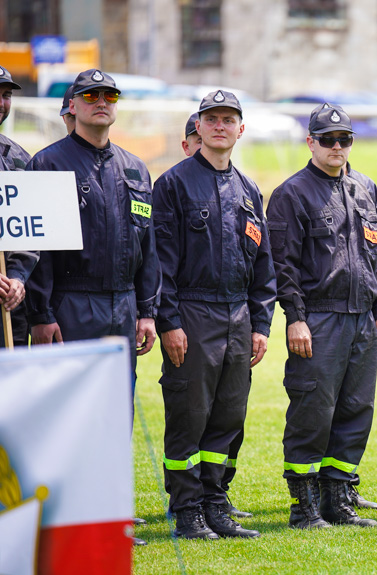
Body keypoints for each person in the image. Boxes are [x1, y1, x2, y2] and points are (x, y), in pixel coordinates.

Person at [25, 69, 160, 544]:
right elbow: (35, 251)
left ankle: (107, 514)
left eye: (109, 95)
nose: (101, 102)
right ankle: (63, 517)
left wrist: (148, 310)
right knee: (67, 413)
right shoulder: (48, 164)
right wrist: (41, 315)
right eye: (90, 95)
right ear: (73, 107)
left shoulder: (136, 168)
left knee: (115, 411)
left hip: (123, 305)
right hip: (70, 301)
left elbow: (149, 249)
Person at [152, 90, 276, 539]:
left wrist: (261, 324)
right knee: (189, 412)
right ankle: (186, 509)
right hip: (193, 311)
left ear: (241, 129)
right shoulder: (173, 184)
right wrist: (170, 321)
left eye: (229, 119)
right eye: (212, 119)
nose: (220, 126)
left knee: (228, 414)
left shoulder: (248, 189)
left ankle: (215, 501)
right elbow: (159, 263)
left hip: (238, 316)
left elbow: (264, 264)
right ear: (198, 128)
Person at [267, 103, 377, 529]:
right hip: (318, 319)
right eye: (327, 140)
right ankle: (303, 507)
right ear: (310, 142)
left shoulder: (366, 188)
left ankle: (337, 501)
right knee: (312, 410)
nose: (336, 147)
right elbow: (282, 265)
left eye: (344, 139)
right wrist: (296, 318)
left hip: (361, 318)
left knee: (357, 409)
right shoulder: (292, 193)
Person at [0, 65, 37, 350]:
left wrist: (17, 278)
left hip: (10, 307)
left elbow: (30, 231)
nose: (2, 103)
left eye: (6, 95)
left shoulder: (19, 158)